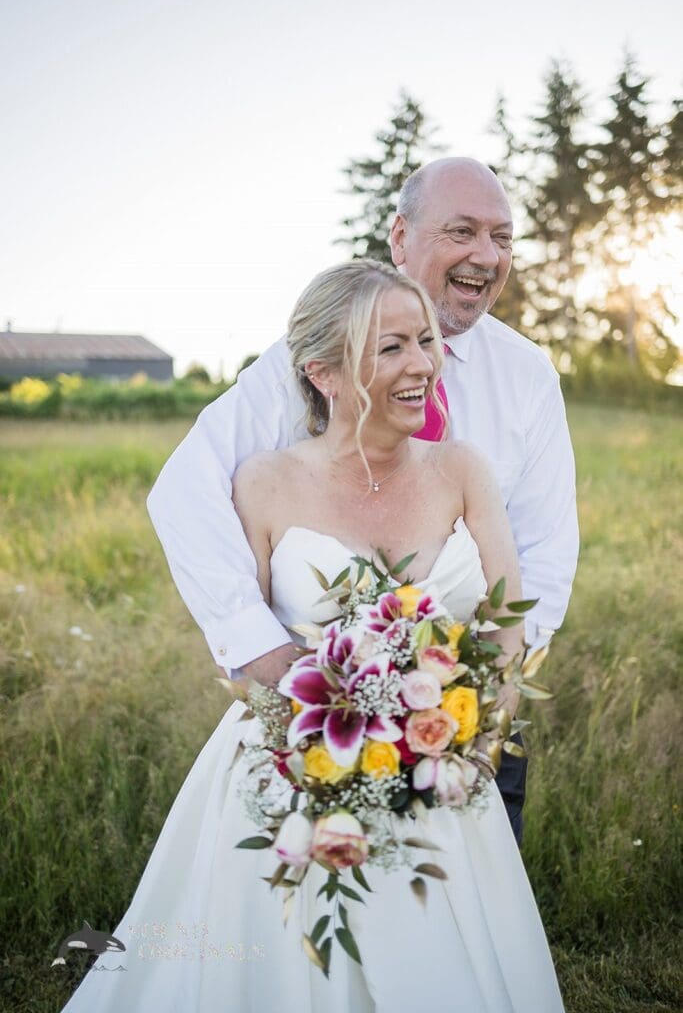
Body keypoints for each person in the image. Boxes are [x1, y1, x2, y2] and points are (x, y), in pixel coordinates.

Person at [60, 261, 565, 1012]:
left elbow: (507, 618)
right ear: (322, 372)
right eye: (390, 348)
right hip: (290, 764)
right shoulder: (262, 482)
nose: (422, 364)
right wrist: (324, 724)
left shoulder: (462, 469)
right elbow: (248, 644)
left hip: (438, 761)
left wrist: (463, 728)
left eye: (423, 341)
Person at [146, 157, 579, 842]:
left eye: (501, 237)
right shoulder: (304, 361)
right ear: (399, 238)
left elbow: (546, 544)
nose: (485, 256)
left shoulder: (527, 376)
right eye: (461, 231)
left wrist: (488, 691)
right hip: (320, 717)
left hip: (470, 711)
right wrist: (271, 661)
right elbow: (186, 493)